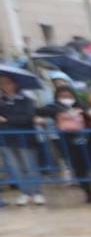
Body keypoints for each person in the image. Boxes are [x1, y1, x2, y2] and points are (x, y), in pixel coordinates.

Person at [40, 84, 91, 203]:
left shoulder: (81, 105)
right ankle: (88, 193)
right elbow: (42, 111)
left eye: (68, 95)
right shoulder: (54, 107)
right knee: (79, 168)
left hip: (88, 140)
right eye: (63, 96)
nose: (66, 98)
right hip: (69, 141)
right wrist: (63, 110)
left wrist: (89, 113)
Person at [1, 73, 46, 205]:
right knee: (16, 167)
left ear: (15, 84)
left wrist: (7, 120)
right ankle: (25, 192)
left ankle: (37, 192)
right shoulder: (1, 101)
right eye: (2, 83)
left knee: (29, 166)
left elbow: (27, 117)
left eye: (7, 83)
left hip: (25, 138)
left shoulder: (26, 100)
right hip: (7, 139)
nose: (5, 86)